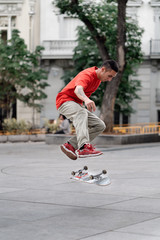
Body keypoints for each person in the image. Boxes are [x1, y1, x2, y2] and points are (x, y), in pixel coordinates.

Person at [56, 60, 119, 160]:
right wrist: (86, 99)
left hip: (76, 104)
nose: (109, 80)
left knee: (100, 125)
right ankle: (83, 147)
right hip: (64, 101)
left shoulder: (98, 80)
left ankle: (70, 145)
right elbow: (78, 90)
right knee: (81, 113)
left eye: (112, 77)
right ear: (103, 69)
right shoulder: (87, 74)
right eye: (109, 76)